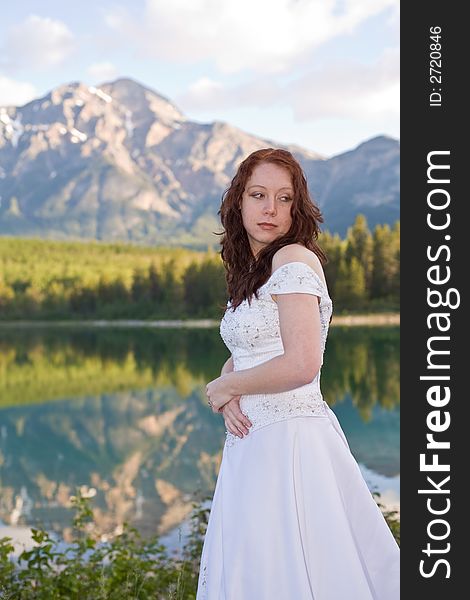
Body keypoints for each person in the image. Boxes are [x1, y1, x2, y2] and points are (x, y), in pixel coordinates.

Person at [196, 148, 399, 599]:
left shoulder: (292, 259)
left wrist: (227, 385)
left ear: (297, 208)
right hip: (254, 444)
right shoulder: (255, 270)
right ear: (239, 203)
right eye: (259, 194)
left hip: (290, 445)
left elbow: (302, 363)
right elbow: (249, 351)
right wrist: (229, 390)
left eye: (284, 198)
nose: (270, 208)